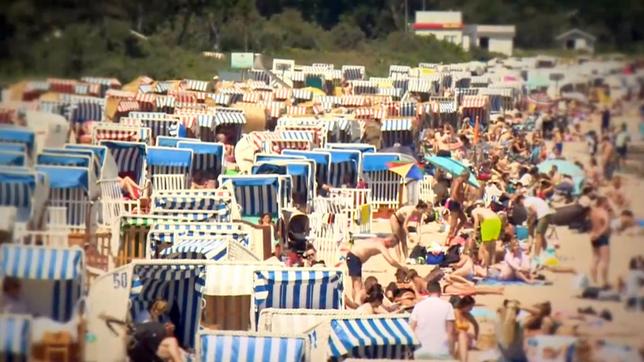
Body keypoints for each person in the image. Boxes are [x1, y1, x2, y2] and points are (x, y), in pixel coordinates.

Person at [409, 281, 455, 360]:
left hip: (421, 351)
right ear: (440, 291)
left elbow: (411, 329)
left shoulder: (419, 306)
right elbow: (450, 332)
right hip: (441, 351)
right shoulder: (448, 306)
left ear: (427, 291)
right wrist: (451, 351)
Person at [468, 201, 503, 267]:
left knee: (486, 248)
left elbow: (476, 221)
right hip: (497, 220)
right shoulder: (484, 210)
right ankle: (492, 266)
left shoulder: (474, 211)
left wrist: (474, 234)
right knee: (492, 246)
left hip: (488, 221)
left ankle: (486, 267)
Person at [590, 197, 611, 288]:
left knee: (595, 258)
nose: (608, 204)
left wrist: (594, 235)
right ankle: (604, 282)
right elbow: (606, 225)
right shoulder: (604, 212)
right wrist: (599, 234)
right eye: (606, 202)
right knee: (604, 260)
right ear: (603, 203)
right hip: (601, 237)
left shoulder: (593, 212)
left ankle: (594, 281)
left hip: (593, 236)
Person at [451, 296, 479, 362]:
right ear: (465, 305)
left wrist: (475, 336)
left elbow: (476, 325)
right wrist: (461, 332)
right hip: (453, 336)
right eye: (470, 307)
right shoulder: (453, 312)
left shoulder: (468, 315)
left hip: (464, 338)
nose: (471, 309)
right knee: (463, 335)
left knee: (464, 336)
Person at [446, 169, 469, 243]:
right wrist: (460, 202)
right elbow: (454, 194)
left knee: (463, 219)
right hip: (454, 203)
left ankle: (454, 234)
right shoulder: (458, 181)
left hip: (457, 203)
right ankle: (448, 239)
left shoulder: (461, 182)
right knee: (453, 222)